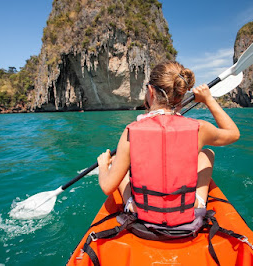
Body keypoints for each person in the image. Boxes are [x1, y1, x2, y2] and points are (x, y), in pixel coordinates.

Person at [97, 61, 239, 226]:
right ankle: (198, 201)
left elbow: (107, 187)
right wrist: (208, 100)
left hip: (142, 217)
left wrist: (102, 165)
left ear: (151, 91)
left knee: (117, 162)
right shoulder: (200, 129)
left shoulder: (131, 131)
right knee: (207, 153)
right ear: (181, 94)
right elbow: (233, 134)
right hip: (189, 215)